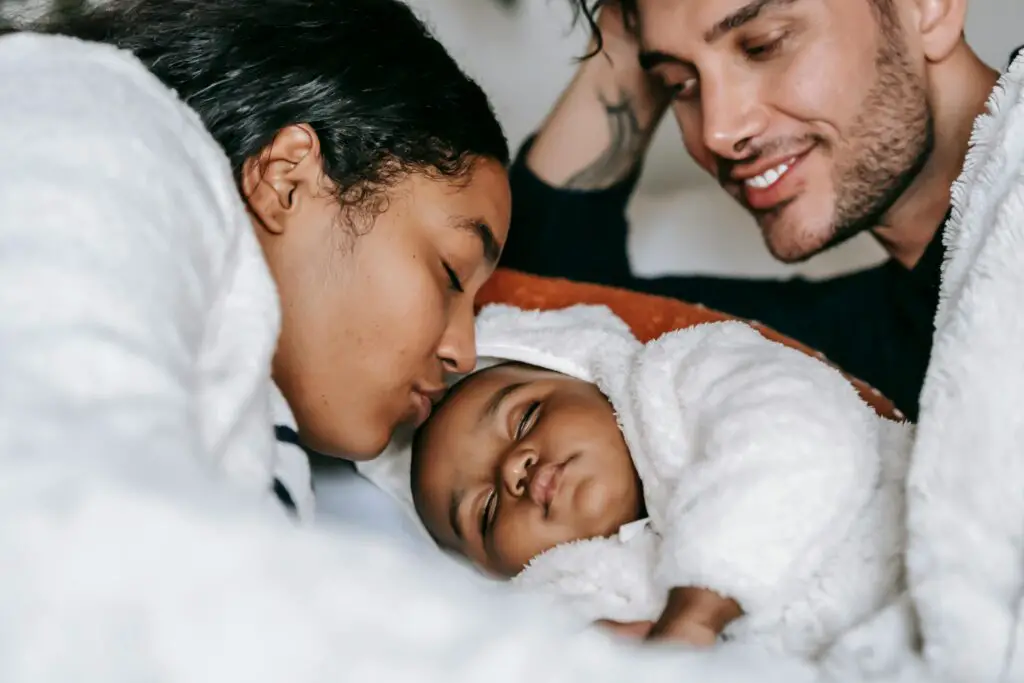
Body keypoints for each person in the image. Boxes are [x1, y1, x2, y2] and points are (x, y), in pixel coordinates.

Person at [0, 0, 510, 521]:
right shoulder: (92, 137)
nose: (464, 355)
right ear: (287, 178)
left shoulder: (254, 424)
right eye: (452, 273)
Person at [500, 0, 1016, 421]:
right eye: (679, 84)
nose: (716, 132)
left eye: (763, 45)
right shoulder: (860, 351)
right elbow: (546, 301)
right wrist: (624, 24)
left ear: (928, 7)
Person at [410, 304, 911, 655]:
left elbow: (800, 432)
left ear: (583, 376)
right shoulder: (560, 598)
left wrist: (698, 609)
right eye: (487, 511)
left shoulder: (680, 374)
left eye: (524, 419)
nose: (511, 469)